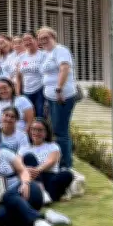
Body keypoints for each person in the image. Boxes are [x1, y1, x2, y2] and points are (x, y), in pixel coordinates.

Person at [0, 131, 71, 226]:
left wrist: (25, 183)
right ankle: (45, 217)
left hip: (27, 191)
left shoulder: (4, 153)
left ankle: (37, 221)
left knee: (7, 195)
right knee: (0, 217)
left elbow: (23, 170)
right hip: (11, 203)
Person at [38, 26, 77, 169]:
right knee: (56, 129)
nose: (43, 41)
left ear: (53, 37)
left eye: (46, 37)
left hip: (62, 96)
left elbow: (64, 68)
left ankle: (66, 164)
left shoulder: (61, 50)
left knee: (61, 131)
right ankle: (60, 159)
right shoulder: (46, 53)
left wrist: (59, 89)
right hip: (51, 97)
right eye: (41, 39)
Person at [19, 118, 74, 203]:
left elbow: (51, 161)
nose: (36, 133)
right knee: (29, 157)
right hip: (32, 178)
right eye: (33, 129)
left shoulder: (53, 146)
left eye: (40, 130)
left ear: (46, 132)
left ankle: (46, 196)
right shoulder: (24, 148)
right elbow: (18, 163)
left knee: (67, 174)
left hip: (49, 176)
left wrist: (37, 170)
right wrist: (26, 170)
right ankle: (42, 192)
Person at [16, 31, 46, 116]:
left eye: (29, 39)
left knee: (40, 114)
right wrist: (18, 93)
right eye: (24, 40)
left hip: (40, 89)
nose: (27, 42)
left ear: (36, 40)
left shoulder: (43, 55)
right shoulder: (21, 57)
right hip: (26, 91)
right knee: (28, 115)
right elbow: (18, 77)